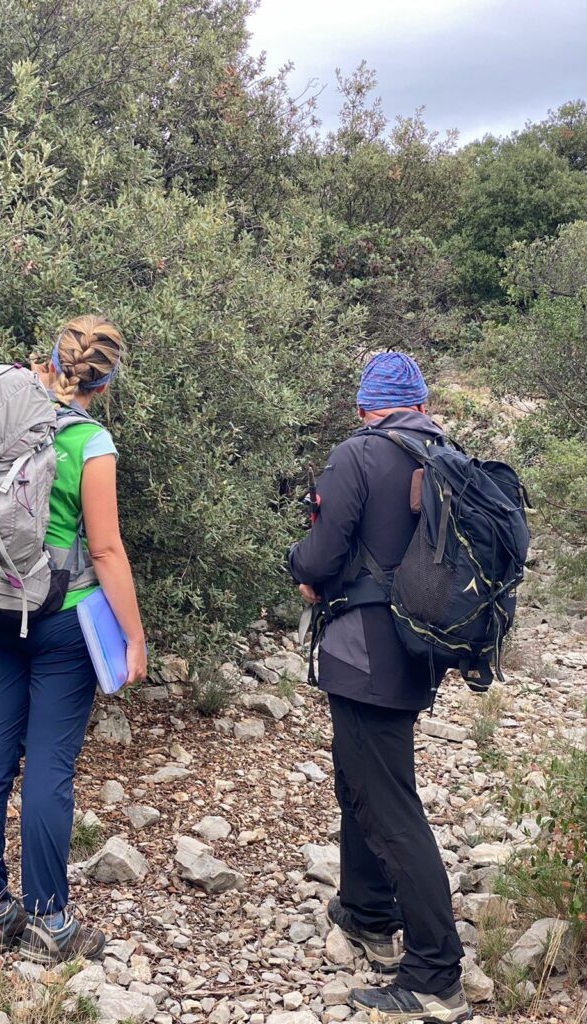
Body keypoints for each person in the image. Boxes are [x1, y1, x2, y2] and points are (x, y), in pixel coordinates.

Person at [0, 315, 147, 964]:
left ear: (51, 359)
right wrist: (134, 638)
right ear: (108, 379)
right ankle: (48, 923)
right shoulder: (91, 442)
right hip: (63, 622)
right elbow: (107, 549)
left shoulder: (7, 418)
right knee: (49, 771)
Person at [288, 352, 469, 1023]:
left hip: (365, 654)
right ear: (418, 401)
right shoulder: (442, 453)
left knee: (390, 804)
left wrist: (294, 564)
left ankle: (433, 971)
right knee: (359, 777)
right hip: (419, 651)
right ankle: (366, 910)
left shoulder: (356, 456)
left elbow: (319, 556)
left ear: (367, 404)